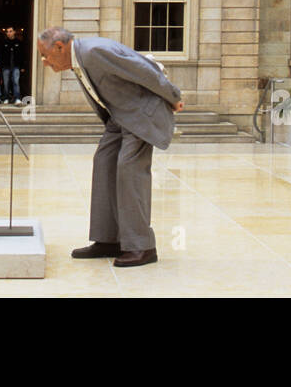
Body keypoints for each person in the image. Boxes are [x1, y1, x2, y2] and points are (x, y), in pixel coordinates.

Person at [37, 26, 183, 268]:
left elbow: (144, 70)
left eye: (45, 55)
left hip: (140, 114)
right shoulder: (80, 57)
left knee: (129, 171)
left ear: (60, 47)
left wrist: (173, 96)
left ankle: (142, 247)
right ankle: (109, 240)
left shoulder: (95, 51)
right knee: (104, 162)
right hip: (120, 117)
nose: (44, 62)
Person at [0, 26, 23, 105]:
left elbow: (22, 55)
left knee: (16, 82)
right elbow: (0, 56)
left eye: (10, 31)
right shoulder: (3, 43)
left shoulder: (19, 42)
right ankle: (6, 98)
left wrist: (22, 67)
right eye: (7, 32)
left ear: (14, 32)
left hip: (16, 66)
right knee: (6, 83)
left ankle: (17, 98)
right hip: (6, 66)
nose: (8, 33)